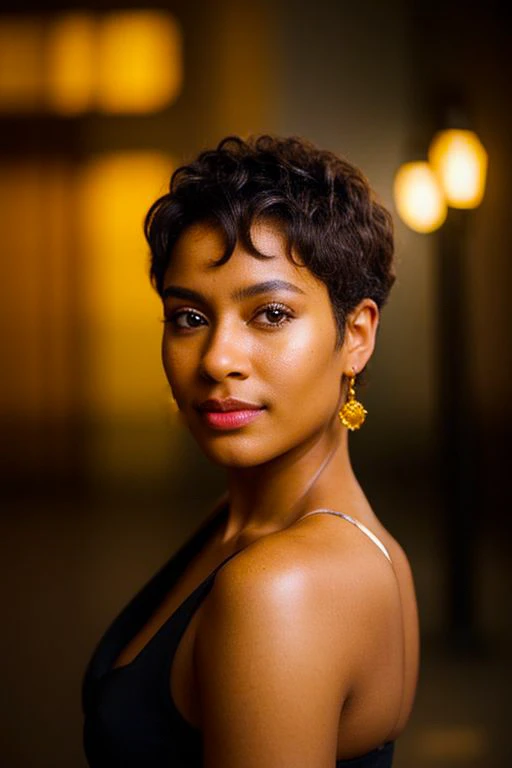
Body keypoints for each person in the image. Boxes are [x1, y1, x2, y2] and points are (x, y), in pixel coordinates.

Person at [82, 135, 420, 768]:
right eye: (188, 317)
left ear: (356, 335)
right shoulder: (259, 526)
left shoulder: (283, 587)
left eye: (268, 314)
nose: (216, 360)